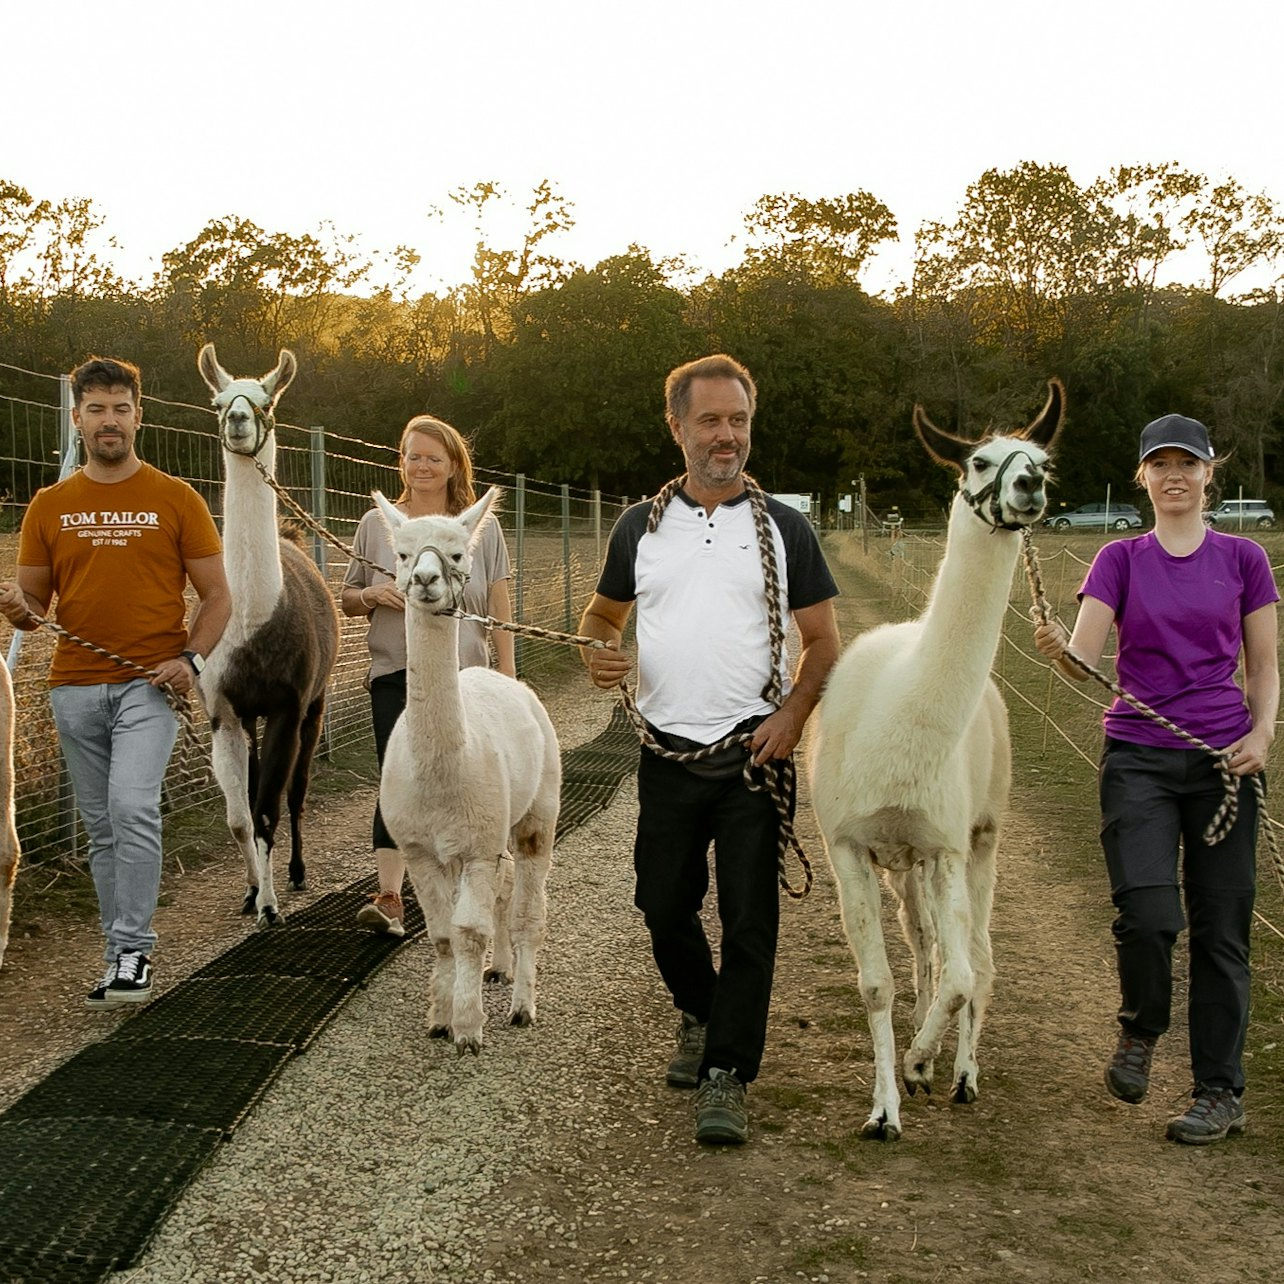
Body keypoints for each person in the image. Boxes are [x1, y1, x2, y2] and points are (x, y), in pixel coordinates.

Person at [578, 354, 840, 1146]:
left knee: (750, 921)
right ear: (677, 427)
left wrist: (794, 714)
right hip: (668, 754)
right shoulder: (640, 529)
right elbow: (600, 622)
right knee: (662, 904)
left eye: (738, 421)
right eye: (710, 421)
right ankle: (700, 1010)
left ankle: (727, 1069)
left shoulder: (785, 529)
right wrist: (596, 654)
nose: (726, 437)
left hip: (754, 756)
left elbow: (824, 641)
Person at [1034, 413, 1278, 1145]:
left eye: (1188, 463)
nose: (1175, 474)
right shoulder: (1118, 559)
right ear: (1142, 477)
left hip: (1223, 763)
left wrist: (1263, 734)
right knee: (1148, 917)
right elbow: (1084, 660)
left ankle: (1218, 1091)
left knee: (1222, 933)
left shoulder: (1245, 560)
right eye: (1160, 463)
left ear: (1211, 474)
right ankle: (1141, 1031)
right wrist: (1056, 648)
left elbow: (1263, 668)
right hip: (1138, 755)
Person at [0, 356, 231, 1007]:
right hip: (73, 690)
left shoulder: (175, 498)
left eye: (120, 407)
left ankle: (134, 953)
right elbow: (32, 602)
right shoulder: (50, 506)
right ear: (77, 418)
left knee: (131, 808)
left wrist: (190, 662)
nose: (109, 420)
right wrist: (15, 605)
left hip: (148, 688)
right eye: (96, 408)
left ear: (139, 415)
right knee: (103, 827)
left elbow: (217, 598)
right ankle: (115, 956)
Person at [341, 415, 516, 936]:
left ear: (452, 466)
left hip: (468, 676)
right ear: (401, 460)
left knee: (474, 784)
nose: (421, 466)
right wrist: (373, 594)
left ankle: (475, 881)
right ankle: (391, 895)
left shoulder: (476, 528)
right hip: (399, 671)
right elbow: (349, 597)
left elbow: (499, 600)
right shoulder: (380, 526)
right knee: (398, 779)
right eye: (412, 455)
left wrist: (507, 672)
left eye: (433, 458)